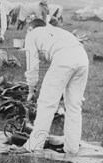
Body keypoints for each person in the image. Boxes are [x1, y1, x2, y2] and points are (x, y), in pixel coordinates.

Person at [15, 19, 89, 155]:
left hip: (64, 58)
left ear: (30, 29)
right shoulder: (57, 31)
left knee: (46, 104)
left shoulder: (32, 34)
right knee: (74, 105)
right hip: (82, 58)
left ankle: (33, 146)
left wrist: (31, 90)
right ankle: (72, 148)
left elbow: (32, 66)